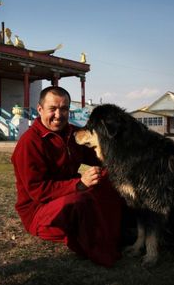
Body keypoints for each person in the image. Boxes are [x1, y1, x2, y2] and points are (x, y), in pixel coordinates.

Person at [11, 86, 123, 267]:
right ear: (40, 110)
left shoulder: (72, 134)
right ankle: (103, 249)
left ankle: (119, 232)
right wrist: (79, 184)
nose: (58, 115)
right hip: (40, 211)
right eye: (52, 109)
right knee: (81, 201)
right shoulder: (29, 143)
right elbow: (38, 191)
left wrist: (121, 159)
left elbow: (97, 156)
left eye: (64, 109)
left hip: (72, 192)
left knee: (109, 180)